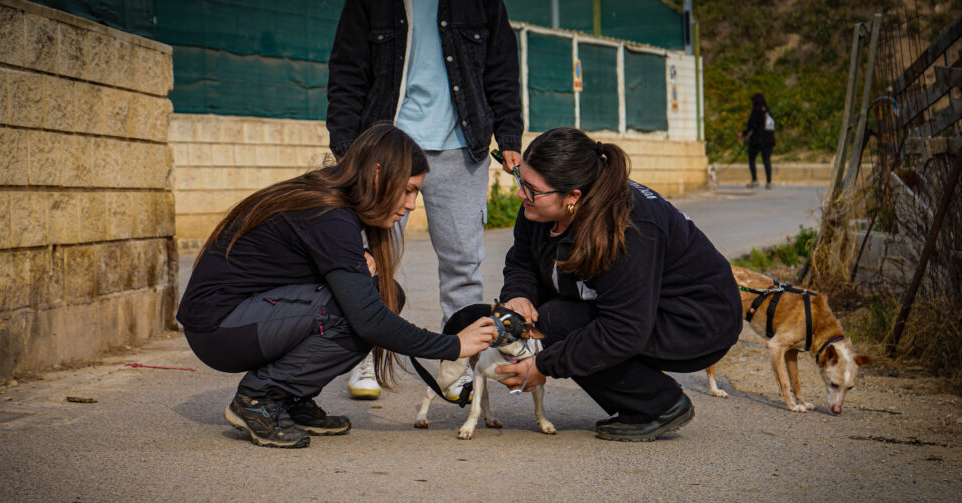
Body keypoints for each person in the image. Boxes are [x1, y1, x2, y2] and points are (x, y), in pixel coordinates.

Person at [176, 124, 498, 449]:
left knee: (385, 295)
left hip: (240, 321)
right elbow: (369, 320)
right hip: (219, 330)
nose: (413, 204)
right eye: (407, 190)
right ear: (376, 175)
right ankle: (259, 398)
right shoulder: (329, 214)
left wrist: (357, 261)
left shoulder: (333, 204)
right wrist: (453, 345)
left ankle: (291, 398)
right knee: (358, 310)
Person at [492, 127, 743, 442]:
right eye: (521, 180)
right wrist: (518, 296)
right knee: (542, 317)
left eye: (531, 189)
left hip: (697, 320)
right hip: (641, 307)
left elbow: (624, 329)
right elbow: (522, 260)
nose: (521, 194)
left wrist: (543, 366)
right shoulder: (540, 207)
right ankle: (644, 391)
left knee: (557, 322)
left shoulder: (628, 229)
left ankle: (657, 405)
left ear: (573, 197)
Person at [326, 0, 524, 400]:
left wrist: (509, 134)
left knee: (462, 264)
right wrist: (347, 146)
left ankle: (458, 367)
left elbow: (502, 65)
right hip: (387, 146)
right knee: (371, 257)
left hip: (462, 146)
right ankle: (365, 355)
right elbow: (347, 70)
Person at [740, 92, 776, 189]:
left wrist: (743, 133)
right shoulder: (768, 111)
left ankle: (754, 179)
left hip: (758, 139)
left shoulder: (756, 110)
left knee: (751, 158)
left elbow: (751, 124)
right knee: (766, 160)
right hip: (769, 139)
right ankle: (769, 182)